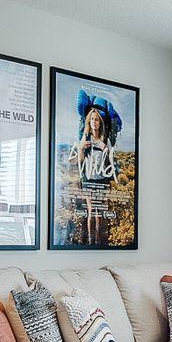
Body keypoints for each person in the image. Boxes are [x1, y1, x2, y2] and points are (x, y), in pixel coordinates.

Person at [68, 89, 121, 246]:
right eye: (91, 119)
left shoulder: (105, 140)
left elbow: (111, 162)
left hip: (101, 180)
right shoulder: (85, 138)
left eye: (96, 119)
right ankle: (91, 241)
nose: (94, 122)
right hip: (89, 180)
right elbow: (78, 160)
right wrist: (82, 149)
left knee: (100, 213)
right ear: (88, 122)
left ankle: (98, 241)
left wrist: (106, 149)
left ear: (100, 122)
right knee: (92, 211)